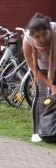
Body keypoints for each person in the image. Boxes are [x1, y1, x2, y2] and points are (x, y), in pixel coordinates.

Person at [22, 14, 56, 143]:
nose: (41, 39)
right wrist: (51, 85)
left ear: (50, 31)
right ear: (32, 37)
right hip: (41, 67)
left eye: (44, 34)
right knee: (41, 95)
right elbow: (34, 69)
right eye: (37, 36)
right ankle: (37, 132)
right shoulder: (27, 41)